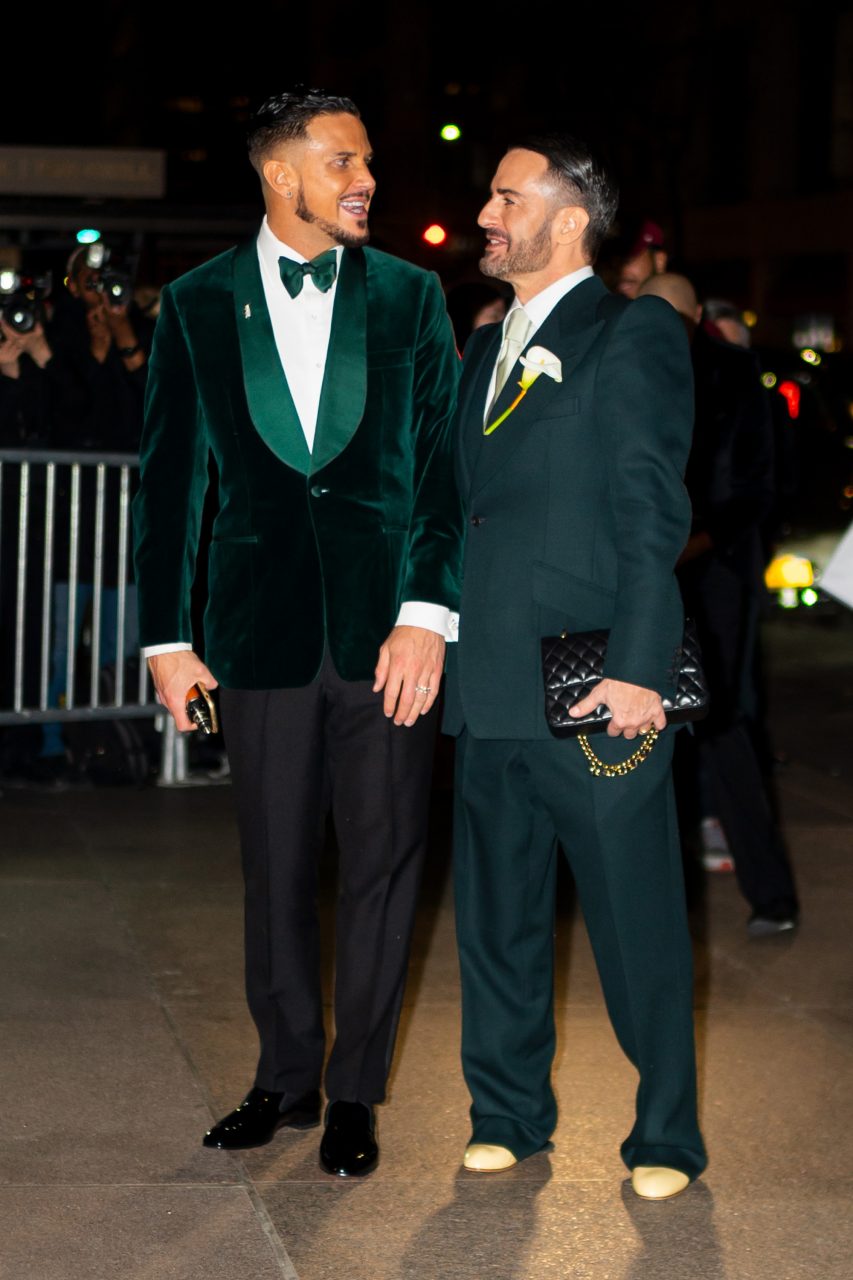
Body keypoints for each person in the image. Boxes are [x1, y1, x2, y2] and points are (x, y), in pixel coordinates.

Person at [132, 88, 463, 1178]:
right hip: (258, 632)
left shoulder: (414, 299)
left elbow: (439, 474)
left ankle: (354, 1089)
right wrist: (165, 636)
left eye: (367, 161)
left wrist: (425, 612)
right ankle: (285, 1074)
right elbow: (172, 481)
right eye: (343, 162)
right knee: (272, 867)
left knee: (380, 862)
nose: (365, 180)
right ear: (281, 175)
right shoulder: (193, 302)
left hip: (388, 638)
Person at [442, 135, 707, 1199]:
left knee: (633, 918)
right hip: (489, 685)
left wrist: (641, 668)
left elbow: (653, 511)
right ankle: (506, 1110)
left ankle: (664, 1135)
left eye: (505, 196)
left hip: (597, 689)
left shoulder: (633, 332)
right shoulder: (484, 346)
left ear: (565, 219)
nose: (484, 214)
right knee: (493, 914)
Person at [638, 272, 799, 935]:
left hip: (713, 575)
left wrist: (694, 543)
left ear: (696, 315)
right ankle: (662, 905)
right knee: (645, 733)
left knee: (718, 726)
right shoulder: (628, 368)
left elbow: (758, 487)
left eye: (673, 315)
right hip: (645, 574)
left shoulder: (734, 373)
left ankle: (770, 895)